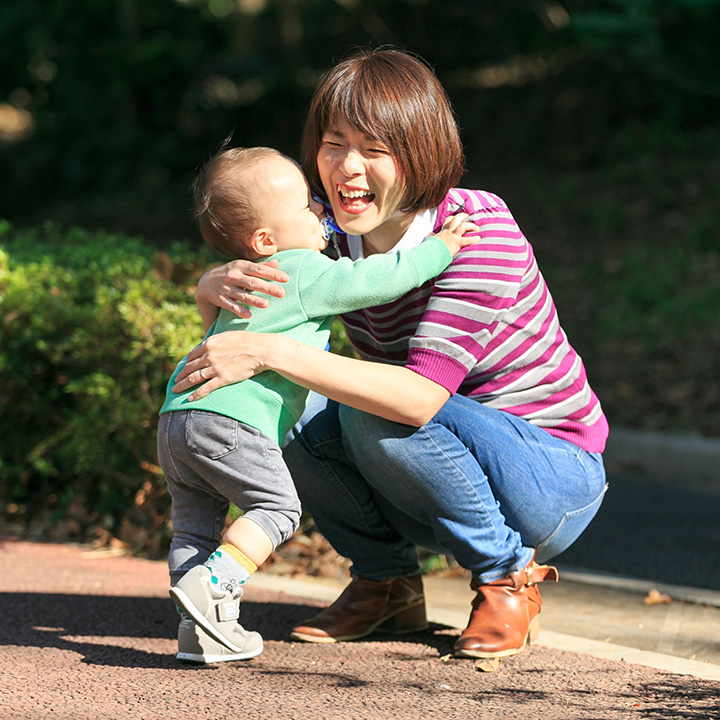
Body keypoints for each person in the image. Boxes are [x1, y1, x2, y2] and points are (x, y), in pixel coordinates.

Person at [170, 48, 609, 661]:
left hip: (549, 477)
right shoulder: (322, 239)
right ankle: (388, 583)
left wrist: (267, 350)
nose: (348, 168)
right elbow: (261, 332)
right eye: (334, 143)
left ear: (421, 154)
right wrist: (209, 290)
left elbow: (419, 397)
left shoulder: (476, 232)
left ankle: (508, 579)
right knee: (283, 405)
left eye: (376, 150)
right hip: (426, 468)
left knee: (373, 403)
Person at [157, 144, 479, 663]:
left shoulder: (244, 279)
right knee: (277, 508)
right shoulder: (303, 269)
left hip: (177, 420)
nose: (322, 211)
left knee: (194, 527)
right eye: (309, 207)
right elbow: (380, 279)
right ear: (266, 239)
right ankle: (215, 583)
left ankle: (201, 631)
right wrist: (440, 249)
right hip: (232, 424)